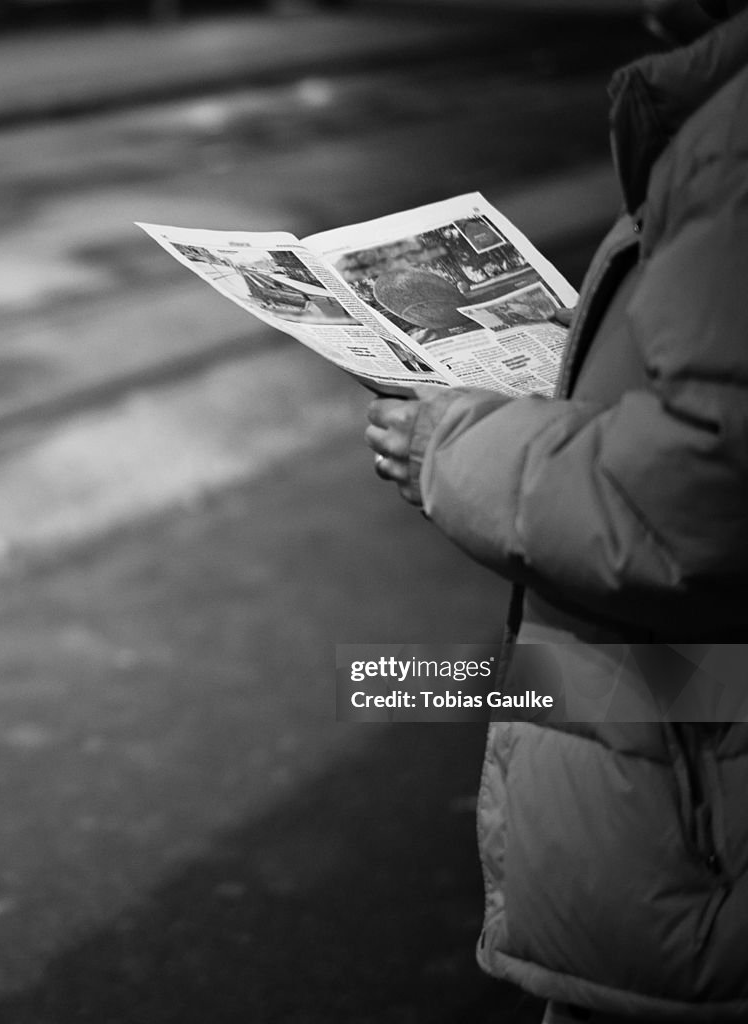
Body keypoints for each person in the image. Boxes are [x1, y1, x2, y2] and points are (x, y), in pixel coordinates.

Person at [365, 3, 748, 1022]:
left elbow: (690, 501)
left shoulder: (732, 138)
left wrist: (448, 443)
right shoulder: (709, 115)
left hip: (692, 811)